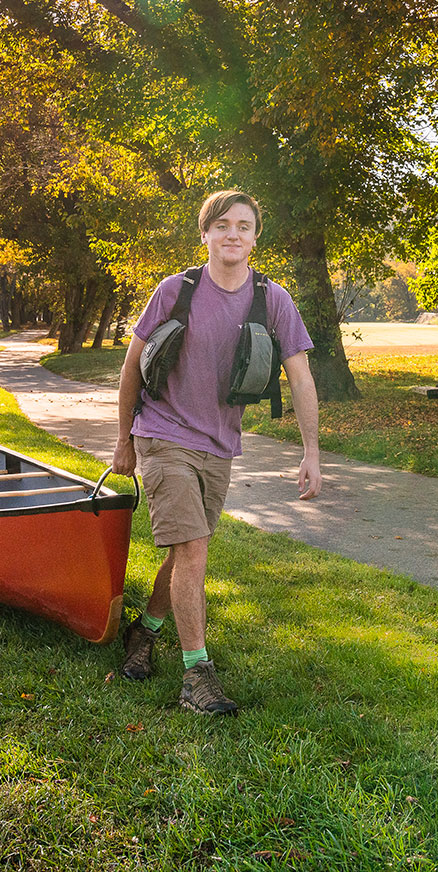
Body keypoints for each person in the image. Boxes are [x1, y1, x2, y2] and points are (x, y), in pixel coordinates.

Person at [109, 190, 322, 715]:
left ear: (255, 238)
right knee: (196, 549)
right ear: (204, 233)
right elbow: (132, 367)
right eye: (222, 224)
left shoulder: (273, 299)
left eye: (244, 226)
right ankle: (196, 678)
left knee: (187, 551)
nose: (233, 234)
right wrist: (123, 440)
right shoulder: (174, 290)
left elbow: (300, 375)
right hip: (162, 433)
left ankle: (145, 631)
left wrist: (312, 451)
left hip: (220, 445)